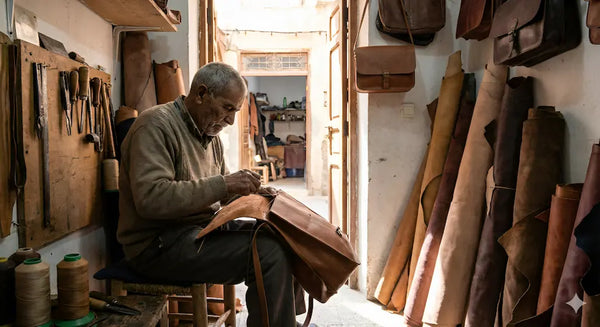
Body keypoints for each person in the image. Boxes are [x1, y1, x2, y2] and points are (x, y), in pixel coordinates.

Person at [118, 62, 298, 326]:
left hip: (198, 230)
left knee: (282, 236)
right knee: (268, 253)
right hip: (156, 245)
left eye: (236, 111)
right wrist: (225, 184)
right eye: (227, 108)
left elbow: (222, 195)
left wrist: (257, 195)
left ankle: (285, 321)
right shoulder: (155, 126)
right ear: (201, 94)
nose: (230, 120)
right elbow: (151, 200)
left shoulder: (209, 135)